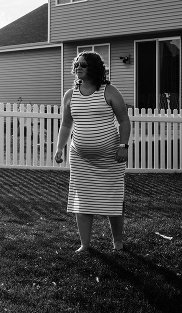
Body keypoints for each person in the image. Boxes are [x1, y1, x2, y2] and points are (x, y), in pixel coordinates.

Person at [54, 51, 131, 252]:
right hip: (80, 158)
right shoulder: (70, 95)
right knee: (82, 199)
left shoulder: (109, 91)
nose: (78, 67)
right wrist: (60, 148)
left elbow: (124, 121)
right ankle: (85, 245)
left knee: (113, 199)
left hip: (110, 158)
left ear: (94, 68)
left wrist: (123, 146)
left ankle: (118, 242)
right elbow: (66, 125)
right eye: (77, 64)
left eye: (84, 64)